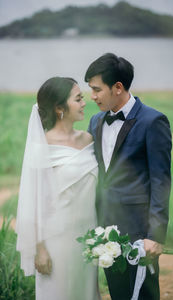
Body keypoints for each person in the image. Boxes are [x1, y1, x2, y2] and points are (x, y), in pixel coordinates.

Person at [85, 53, 172, 300]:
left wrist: (155, 235)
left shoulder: (153, 121)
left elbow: (161, 181)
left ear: (118, 87)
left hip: (138, 229)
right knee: (118, 292)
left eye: (96, 89)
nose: (92, 96)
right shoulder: (95, 121)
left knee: (143, 293)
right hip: (106, 229)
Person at [16, 77, 100, 300]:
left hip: (88, 238)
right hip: (56, 241)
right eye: (78, 99)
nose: (84, 103)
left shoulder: (88, 139)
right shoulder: (42, 146)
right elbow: (33, 203)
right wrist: (40, 249)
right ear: (59, 107)